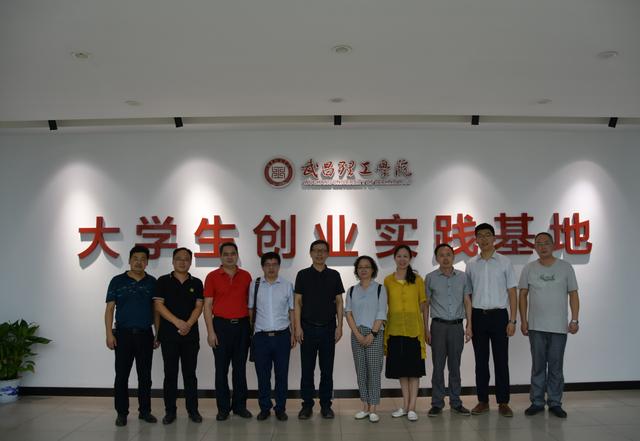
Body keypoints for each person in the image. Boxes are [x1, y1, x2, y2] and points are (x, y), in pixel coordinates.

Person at [519, 232, 580, 418]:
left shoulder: (565, 267)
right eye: (539, 243)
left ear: (553, 245)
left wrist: (575, 319)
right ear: (535, 247)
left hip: (559, 327)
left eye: (546, 243)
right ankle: (537, 402)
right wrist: (523, 320)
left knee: (556, 367)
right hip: (536, 326)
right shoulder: (529, 268)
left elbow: (573, 294)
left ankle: (555, 402)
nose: (543, 246)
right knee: (538, 366)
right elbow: (523, 295)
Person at [465, 223, 518, 417]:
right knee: (481, 362)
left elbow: (512, 292)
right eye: (480, 236)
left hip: (499, 316)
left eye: (488, 235)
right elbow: (468, 296)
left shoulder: (505, 262)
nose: (484, 239)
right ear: (476, 240)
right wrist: (469, 322)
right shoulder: (471, 264)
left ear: (494, 238)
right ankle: (483, 401)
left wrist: (513, 320)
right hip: (478, 316)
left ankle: (503, 402)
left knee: (501, 360)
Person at [104, 245, 158, 427]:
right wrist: (108, 334)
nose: (139, 262)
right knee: (121, 376)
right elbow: (109, 309)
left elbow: (156, 311)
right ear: (129, 260)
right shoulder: (117, 281)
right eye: (135, 258)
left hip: (145, 335)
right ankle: (122, 413)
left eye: (143, 259)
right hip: (122, 335)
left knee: (145, 376)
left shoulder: (152, 282)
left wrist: (157, 333)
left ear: (147, 262)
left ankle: (145, 411)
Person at [294, 239, 345, 419]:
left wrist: (340, 326)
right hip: (307, 328)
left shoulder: (334, 275)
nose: (319, 254)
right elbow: (297, 302)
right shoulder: (302, 275)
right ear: (310, 253)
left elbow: (339, 302)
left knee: (327, 370)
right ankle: (307, 405)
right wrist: (297, 327)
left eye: (323, 250)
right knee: (307, 370)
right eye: (316, 250)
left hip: (328, 328)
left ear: (328, 254)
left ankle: (325, 405)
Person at [203, 242, 253, 421]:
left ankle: (240, 406)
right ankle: (223, 408)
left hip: (242, 327)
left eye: (233, 254)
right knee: (221, 370)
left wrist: (251, 329)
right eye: (226, 254)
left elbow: (250, 305)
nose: (230, 257)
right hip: (221, 327)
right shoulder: (212, 277)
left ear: (237, 255)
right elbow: (207, 306)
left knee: (240, 369)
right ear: (220, 256)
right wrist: (210, 332)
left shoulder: (246, 276)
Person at [154, 247, 204, 424]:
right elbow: (158, 306)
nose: (182, 262)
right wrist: (178, 322)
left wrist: (188, 324)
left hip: (190, 336)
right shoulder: (162, 281)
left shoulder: (197, 283)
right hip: (169, 336)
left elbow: (199, 306)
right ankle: (170, 411)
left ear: (190, 262)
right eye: (179, 258)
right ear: (173, 261)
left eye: (186, 259)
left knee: (190, 374)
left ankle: (193, 410)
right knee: (170, 374)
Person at [424, 243, 473, 417]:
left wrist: (469, 325)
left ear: (453, 257)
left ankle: (456, 402)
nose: (445, 258)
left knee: (455, 366)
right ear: (436, 258)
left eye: (448, 255)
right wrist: (425, 329)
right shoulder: (430, 278)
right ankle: (437, 403)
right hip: (438, 327)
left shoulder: (463, 277)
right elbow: (426, 305)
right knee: (438, 366)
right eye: (441, 255)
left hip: (457, 327)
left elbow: (467, 301)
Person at [249, 252, 296, 421]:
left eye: (274, 264)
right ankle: (265, 407)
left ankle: (280, 408)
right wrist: (253, 333)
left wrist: (293, 332)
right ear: (262, 266)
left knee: (281, 375)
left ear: (279, 266)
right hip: (261, 337)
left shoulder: (287, 285)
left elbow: (292, 310)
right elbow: (251, 310)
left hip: (282, 336)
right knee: (263, 375)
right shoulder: (255, 285)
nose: (271, 268)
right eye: (267, 264)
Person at [383, 244, 427, 422]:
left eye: (405, 256)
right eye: (399, 256)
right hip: (394, 330)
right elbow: (384, 305)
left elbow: (423, 305)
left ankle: (412, 407)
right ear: (394, 258)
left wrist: (425, 327)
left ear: (410, 259)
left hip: (414, 330)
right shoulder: (388, 280)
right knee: (402, 370)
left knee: (414, 371)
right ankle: (405, 405)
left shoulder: (417, 280)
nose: (402, 259)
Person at [345, 255, 387, 423]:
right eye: (360, 267)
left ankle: (373, 408)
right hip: (357, 333)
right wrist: (357, 334)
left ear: (373, 270)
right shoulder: (351, 290)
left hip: (374, 333)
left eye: (367, 267)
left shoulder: (380, 289)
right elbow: (348, 313)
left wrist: (372, 334)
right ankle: (364, 406)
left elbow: (381, 312)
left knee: (374, 371)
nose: (363, 270)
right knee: (361, 371)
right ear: (357, 270)